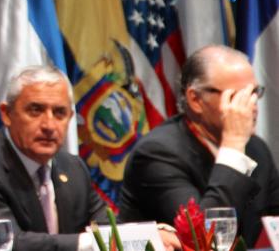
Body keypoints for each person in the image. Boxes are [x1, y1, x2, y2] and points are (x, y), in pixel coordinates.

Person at [119, 45, 279, 245]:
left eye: (255, 92)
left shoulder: (256, 149)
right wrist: (234, 145)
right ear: (195, 99)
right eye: (237, 95)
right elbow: (202, 239)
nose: (252, 104)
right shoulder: (157, 153)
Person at [0, 66, 106, 251]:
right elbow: (7, 245)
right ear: (6, 114)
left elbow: (107, 230)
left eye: (59, 113)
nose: (49, 125)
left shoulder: (73, 168)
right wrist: (85, 243)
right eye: (36, 110)